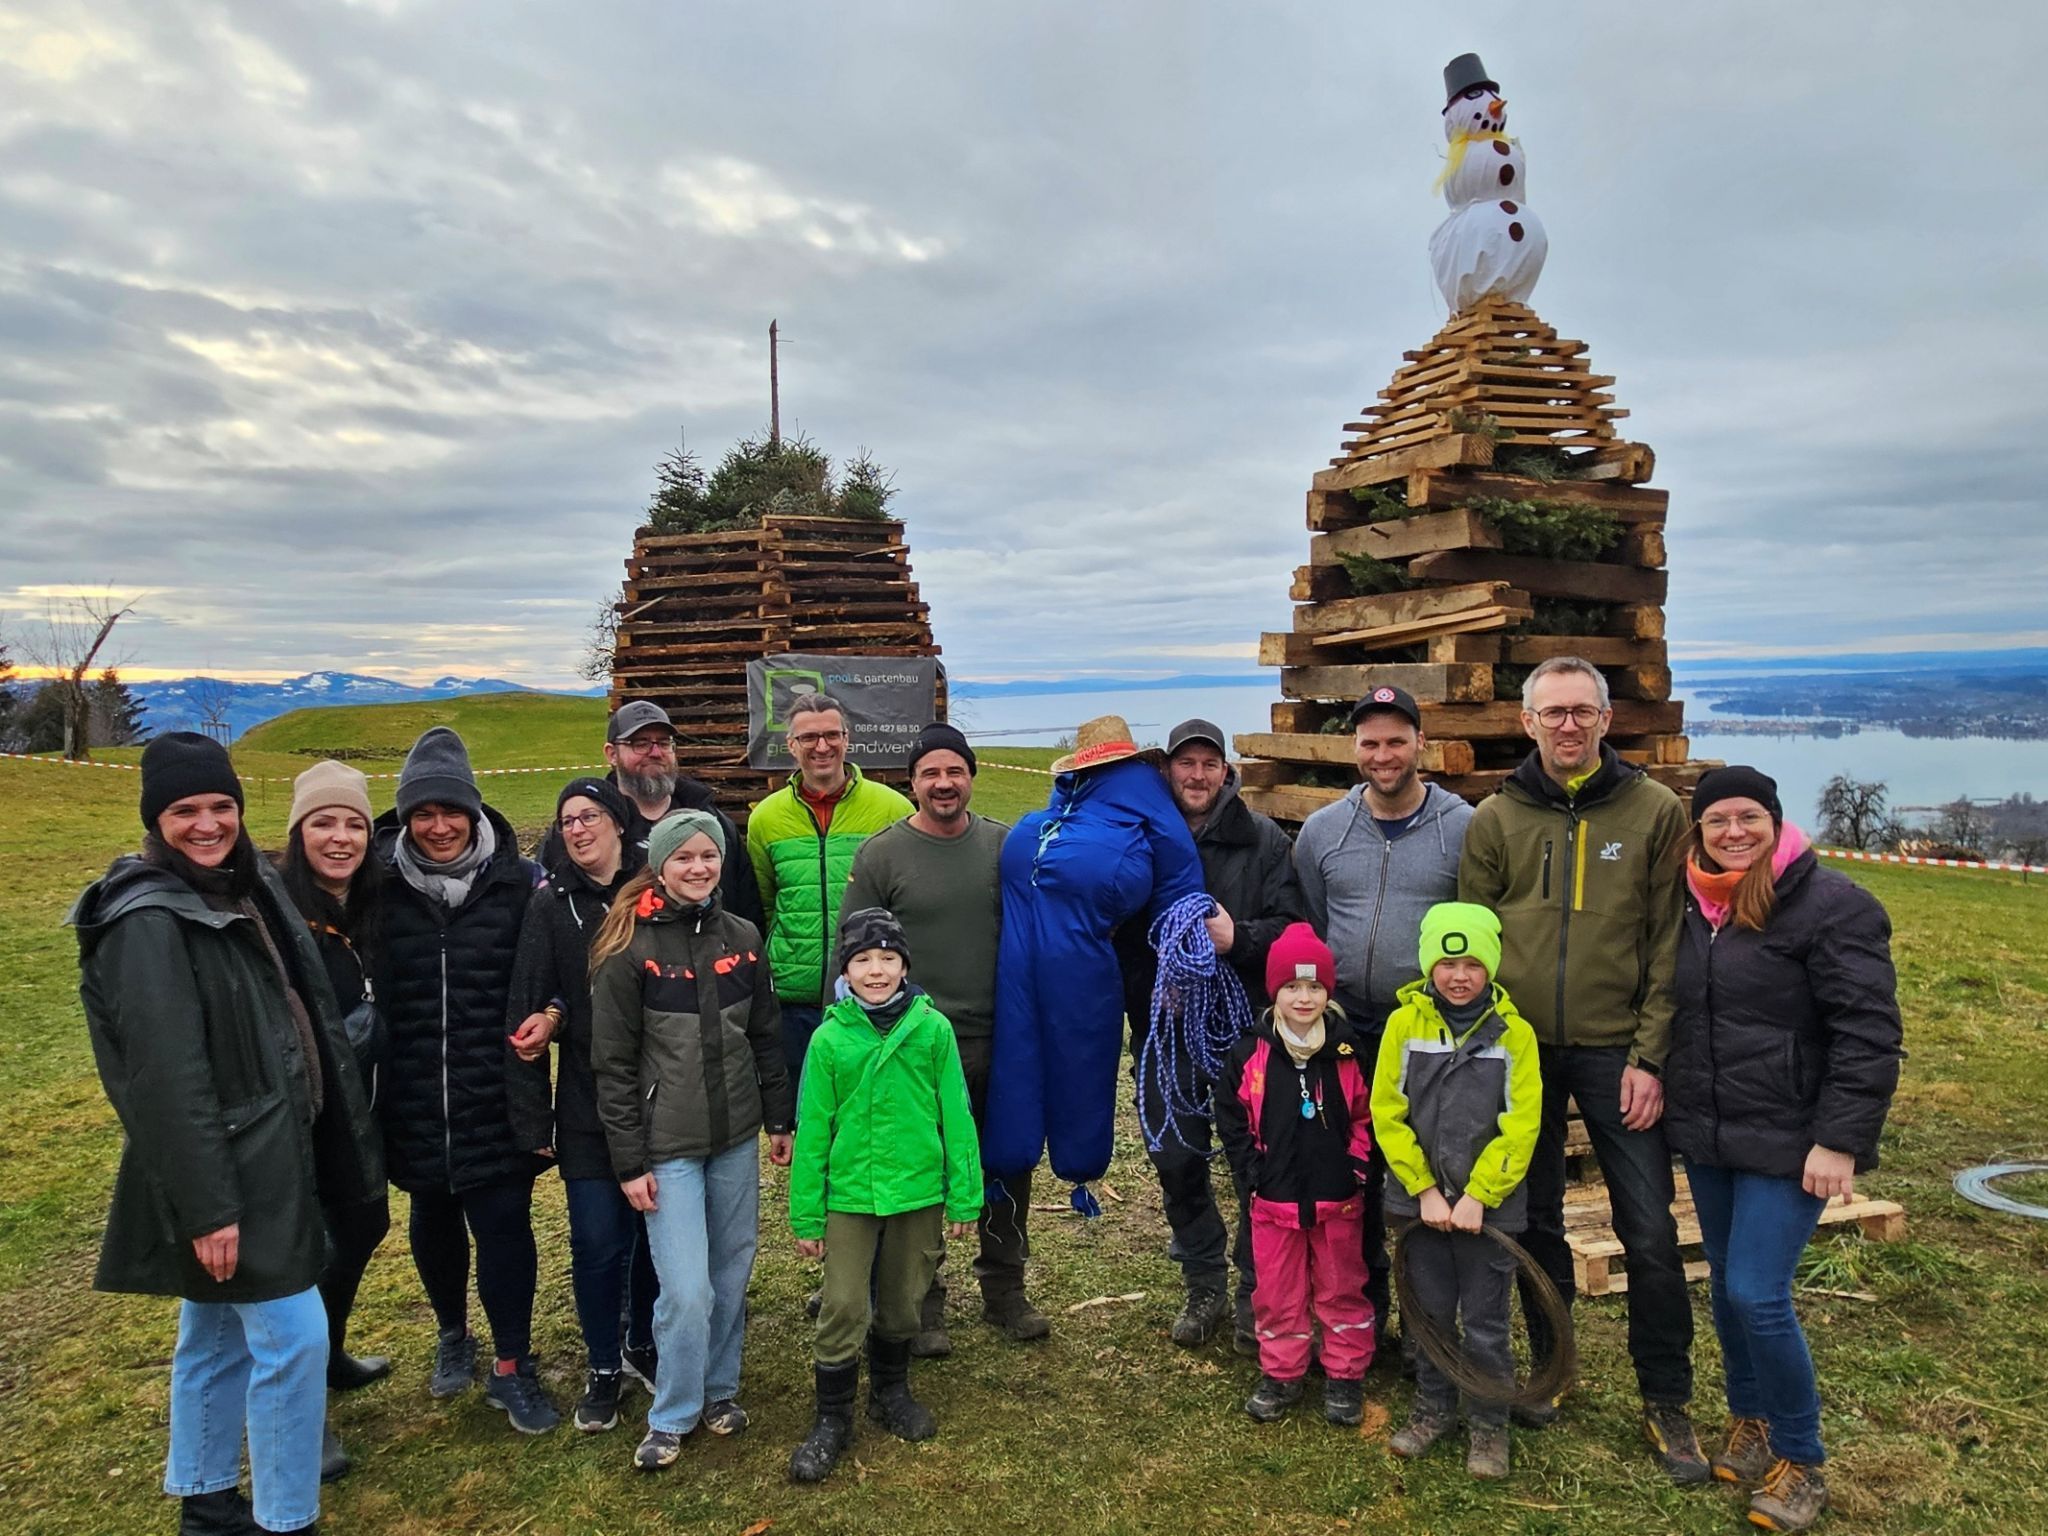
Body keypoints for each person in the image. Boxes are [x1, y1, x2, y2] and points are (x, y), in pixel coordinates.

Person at [71, 733, 380, 1536]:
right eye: (185, 811)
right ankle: (287, 1517)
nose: (207, 824)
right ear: (155, 820)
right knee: (294, 1338)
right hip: (231, 1168)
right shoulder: (149, 919)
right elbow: (164, 1080)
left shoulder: (233, 890)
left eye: (221, 807)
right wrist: (209, 1208)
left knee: (211, 1333)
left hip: (269, 1148)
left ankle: (207, 1503)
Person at [1458, 655, 1705, 1478]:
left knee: (1649, 1230)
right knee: (1532, 1219)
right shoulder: (1495, 818)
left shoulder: (1655, 812)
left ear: (1607, 721)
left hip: (1615, 1053)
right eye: (1552, 712)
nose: (1568, 725)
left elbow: (1670, 942)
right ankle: (1550, 1370)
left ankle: (1667, 1400)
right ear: (1526, 723)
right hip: (1522, 1052)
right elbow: (1476, 944)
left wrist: (1649, 1055)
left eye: (1582, 711)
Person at [1664, 767, 1902, 1532]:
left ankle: (1803, 1457)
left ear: (1774, 820)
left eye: (1748, 818)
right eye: (1716, 821)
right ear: (1696, 832)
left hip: (1793, 1140)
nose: (1732, 833)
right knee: (1730, 1285)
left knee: (1759, 1295)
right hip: (1712, 1132)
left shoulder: (1831, 906)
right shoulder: (1693, 906)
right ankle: (1752, 1418)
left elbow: (1868, 1034)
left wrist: (1840, 1141)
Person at [588, 810, 795, 1472]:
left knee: (730, 1272)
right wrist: (629, 1161)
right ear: (661, 864)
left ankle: (719, 1392)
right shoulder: (629, 949)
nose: (699, 868)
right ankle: (672, 1413)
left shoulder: (743, 936)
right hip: (666, 1146)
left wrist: (779, 1119)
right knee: (684, 1289)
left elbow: (764, 1036)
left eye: (710, 856)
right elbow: (613, 1067)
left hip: (734, 1137)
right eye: (685, 858)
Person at [373, 726, 557, 1434]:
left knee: (505, 1225)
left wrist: (553, 1013)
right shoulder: (379, 886)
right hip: (414, 1088)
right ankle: (453, 1332)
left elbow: (554, 974)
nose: (440, 826)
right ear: (406, 818)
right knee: (433, 1217)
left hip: (498, 1089)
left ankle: (513, 1365)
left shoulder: (521, 884)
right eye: (424, 813)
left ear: (475, 813)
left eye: (452, 810)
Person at [843, 723, 1047, 1352]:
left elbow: (1039, 931)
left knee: (1005, 1165)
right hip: (916, 1047)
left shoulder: (1003, 847)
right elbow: (850, 952)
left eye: (954, 771)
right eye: (930, 773)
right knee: (925, 1174)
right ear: (912, 782)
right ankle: (922, 1299)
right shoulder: (882, 856)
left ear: (971, 776)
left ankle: (1004, 1290)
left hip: (1001, 1037)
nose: (943, 783)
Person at [1117, 717, 1307, 1352]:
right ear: (1167, 770)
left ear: (1226, 772)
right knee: (1176, 1159)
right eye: (1185, 764)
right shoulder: (1140, 840)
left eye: (1209, 764)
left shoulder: (1263, 841)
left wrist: (1239, 939)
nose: (1197, 775)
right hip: (1164, 1032)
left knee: (1255, 1162)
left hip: (1245, 1032)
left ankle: (1258, 1288)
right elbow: (1115, 927)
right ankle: (1203, 1282)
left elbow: (1293, 928)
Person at [1293, 685, 1472, 1348]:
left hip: (1427, 1032)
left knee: (1423, 1170)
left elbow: (1481, 929)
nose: (1383, 754)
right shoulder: (1323, 832)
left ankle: (1429, 1325)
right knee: (1352, 1172)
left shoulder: (1462, 827)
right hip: (1347, 1028)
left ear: (1421, 744)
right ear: (1354, 749)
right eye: (1370, 742)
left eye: (1397, 740)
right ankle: (1360, 1319)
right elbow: (1312, 924)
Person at [786, 908, 983, 1483]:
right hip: (850, 1196)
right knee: (845, 1302)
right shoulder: (829, 1038)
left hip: (916, 1192)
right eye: (864, 960)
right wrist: (808, 1214)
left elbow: (957, 1115)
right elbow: (813, 1127)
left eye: (888, 959)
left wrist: (965, 1195)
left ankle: (890, 1392)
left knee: (902, 1302)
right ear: (846, 969)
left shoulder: (932, 1030)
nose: (876, 971)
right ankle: (832, 1418)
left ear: (904, 966)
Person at [986, 714, 1206, 1199]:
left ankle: (1073, 1161)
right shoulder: (1067, 794)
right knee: (1017, 1049)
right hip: (1024, 952)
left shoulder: (1143, 791)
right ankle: (1012, 1157)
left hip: (1081, 952)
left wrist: (1178, 961)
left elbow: (1180, 873)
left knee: (1077, 1052)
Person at [506, 776, 659, 1435]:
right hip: (587, 1101)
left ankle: (643, 1343)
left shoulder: (657, 890)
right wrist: (532, 1116)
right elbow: (531, 1000)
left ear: (619, 824)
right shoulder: (550, 905)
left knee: (654, 1241)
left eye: (590, 815)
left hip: (660, 1095)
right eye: (567, 819)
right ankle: (602, 1364)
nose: (577, 829)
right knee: (598, 1240)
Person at [1375, 902, 1542, 1481]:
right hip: (1420, 1205)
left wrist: (1479, 1194)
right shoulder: (1404, 1026)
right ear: (1429, 966)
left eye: (1473, 961)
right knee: (1429, 1317)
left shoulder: (1515, 1035)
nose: (1460, 975)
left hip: (1486, 1212)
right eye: (1447, 962)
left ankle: (1489, 1424)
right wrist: (1422, 1188)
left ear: (1491, 965)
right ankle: (1433, 1408)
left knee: (1487, 1322)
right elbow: (1387, 1111)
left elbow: (1522, 1125)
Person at [275, 760, 392, 1485]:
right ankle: (300, 1410)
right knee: (305, 1254)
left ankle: (332, 1351)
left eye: (353, 823)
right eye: (324, 822)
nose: (340, 837)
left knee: (363, 1226)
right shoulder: (280, 916)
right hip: (303, 1112)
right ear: (298, 833)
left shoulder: (368, 908)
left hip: (364, 1104)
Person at [1215, 924, 1375, 1428]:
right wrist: (1252, 1174)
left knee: (1341, 1287)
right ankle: (1282, 1372)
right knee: (1277, 1291)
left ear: (1328, 993)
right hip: (1274, 1201)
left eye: (1314, 988)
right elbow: (1233, 1119)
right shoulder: (1249, 1054)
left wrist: (1357, 1166)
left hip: (1338, 1199)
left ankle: (1345, 1375)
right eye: (1291, 987)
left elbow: (1368, 1117)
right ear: (1274, 992)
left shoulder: (1349, 1053)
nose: (1303, 998)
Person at [745, 692, 913, 1082]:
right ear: (791, 746)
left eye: (831, 735)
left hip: (870, 996)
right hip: (792, 1001)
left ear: (847, 738)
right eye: (808, 738)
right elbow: (765, 905)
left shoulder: (892, 809)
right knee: (804, 1120)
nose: (822, 747)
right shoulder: (766, 819)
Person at [536, 700, 760, 926]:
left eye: (664, 743)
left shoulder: (713, 824)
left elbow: (746, 911)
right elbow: (545, 909)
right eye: (640, 743)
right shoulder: (580, 831)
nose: (655, 752)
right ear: (611, 754)